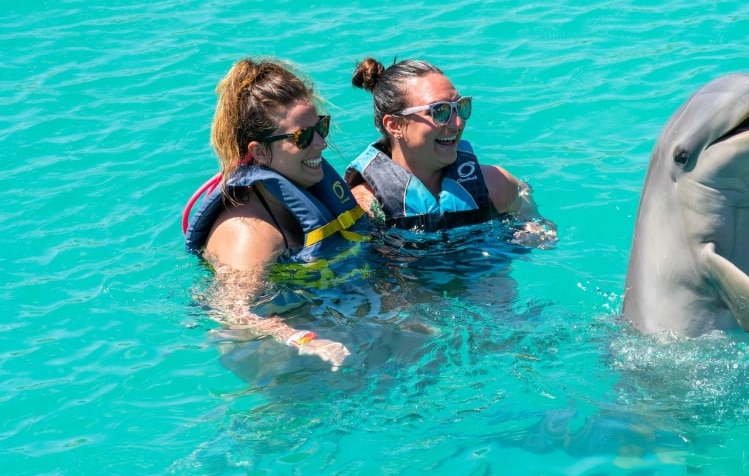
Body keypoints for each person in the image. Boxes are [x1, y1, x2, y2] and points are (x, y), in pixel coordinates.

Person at [183, 58, 369, 369]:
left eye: (320, 127)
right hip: (270, 356)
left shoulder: (305, 183)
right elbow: (234, 312)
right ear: (259, 151)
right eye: (303, 137)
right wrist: (304, 341)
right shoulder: (248, 231)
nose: (322, 143)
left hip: (318, 312)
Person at [346, 57, 556, 239]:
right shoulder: (366, 207)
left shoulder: (497, 184)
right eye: (439, 111)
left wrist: (532, 233)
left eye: (460, 107)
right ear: (394, 125)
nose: (457, 123)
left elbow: (540, 229)